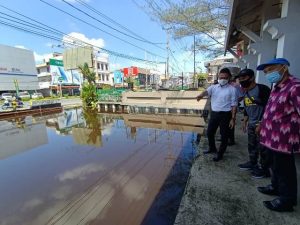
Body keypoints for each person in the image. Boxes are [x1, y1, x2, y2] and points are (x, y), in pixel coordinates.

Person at [256, 58, 300, 212]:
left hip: (284, 139)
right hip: (270, 137)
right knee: (275, 166)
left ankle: (287, 200)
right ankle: (275, 187)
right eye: (266, 72)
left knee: (285, 170)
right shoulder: (277, 87)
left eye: (270, 70)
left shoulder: (295, 86)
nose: (268, 74)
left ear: (283, 68)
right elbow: (270, 110)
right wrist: (261, 124)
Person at [196, 68, 237, 162]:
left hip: (226, 115)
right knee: (210, 132)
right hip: (214, 114)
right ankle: (212, 148)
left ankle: (220, 154)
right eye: (221, 77)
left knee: (224, 136)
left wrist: (233, 119)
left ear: (229, 78)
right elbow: (206, 92)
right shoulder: (213, 87)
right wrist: (200, 95)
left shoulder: (232, 90)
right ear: (218, 77)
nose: (223, 79)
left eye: (225, 77)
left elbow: (234, 105)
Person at [236, 69, 271, 178]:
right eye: (240, 79)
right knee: (252, 145)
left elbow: (269, 108)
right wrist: (245, 120)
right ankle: (252, 162)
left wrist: (261, 123)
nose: (241, 81)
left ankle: (264, 170)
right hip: (251, 123)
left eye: (244, 78)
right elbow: (247, 106)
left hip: (262, 124)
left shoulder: (262, 89)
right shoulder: (245, 91)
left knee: (263, 148)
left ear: (251, 77)